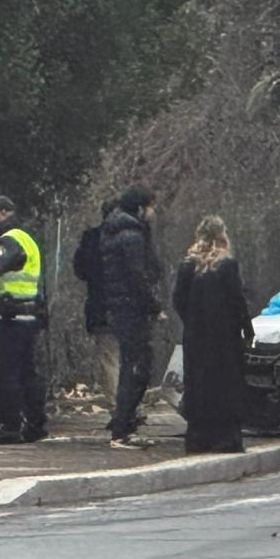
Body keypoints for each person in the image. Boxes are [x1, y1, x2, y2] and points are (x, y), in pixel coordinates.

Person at [173, 216, 253, 454]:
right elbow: (236, 299)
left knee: (197, 382)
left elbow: (178, 298)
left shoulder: (188, 264)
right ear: (222, 235)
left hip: (196, 334)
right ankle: (225, 437)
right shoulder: (226, 264)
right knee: (225, 383)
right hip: (224, 335)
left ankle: (198, 436)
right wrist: (246, 328)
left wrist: (191, 320)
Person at [0, 195, 49, 444]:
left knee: (5, 374)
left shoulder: (10, 240)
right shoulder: (25, 238)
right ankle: (34, 423)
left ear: (4, 212)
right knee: (26, 373)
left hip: (9, 318)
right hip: (25, 316)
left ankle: (9, 426)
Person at [100, 186, 164, 449]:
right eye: (150, 207)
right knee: (136, 367)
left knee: (133, 365)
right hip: (131, 309)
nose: (153, 212)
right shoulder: (131, 236)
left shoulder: (113, 232)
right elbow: (138, 275)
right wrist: (153, 305)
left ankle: (122, 425)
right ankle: (121, 427)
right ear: (140, 208)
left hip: (120, 307)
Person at [74, 198, 121, 399]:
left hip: (99, 304)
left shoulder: (90, 238)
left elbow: (80, 269)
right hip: (126, 305)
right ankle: (128, 404)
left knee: (108, 358)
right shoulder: (132, 238)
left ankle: (115, 403)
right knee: (128, 357)